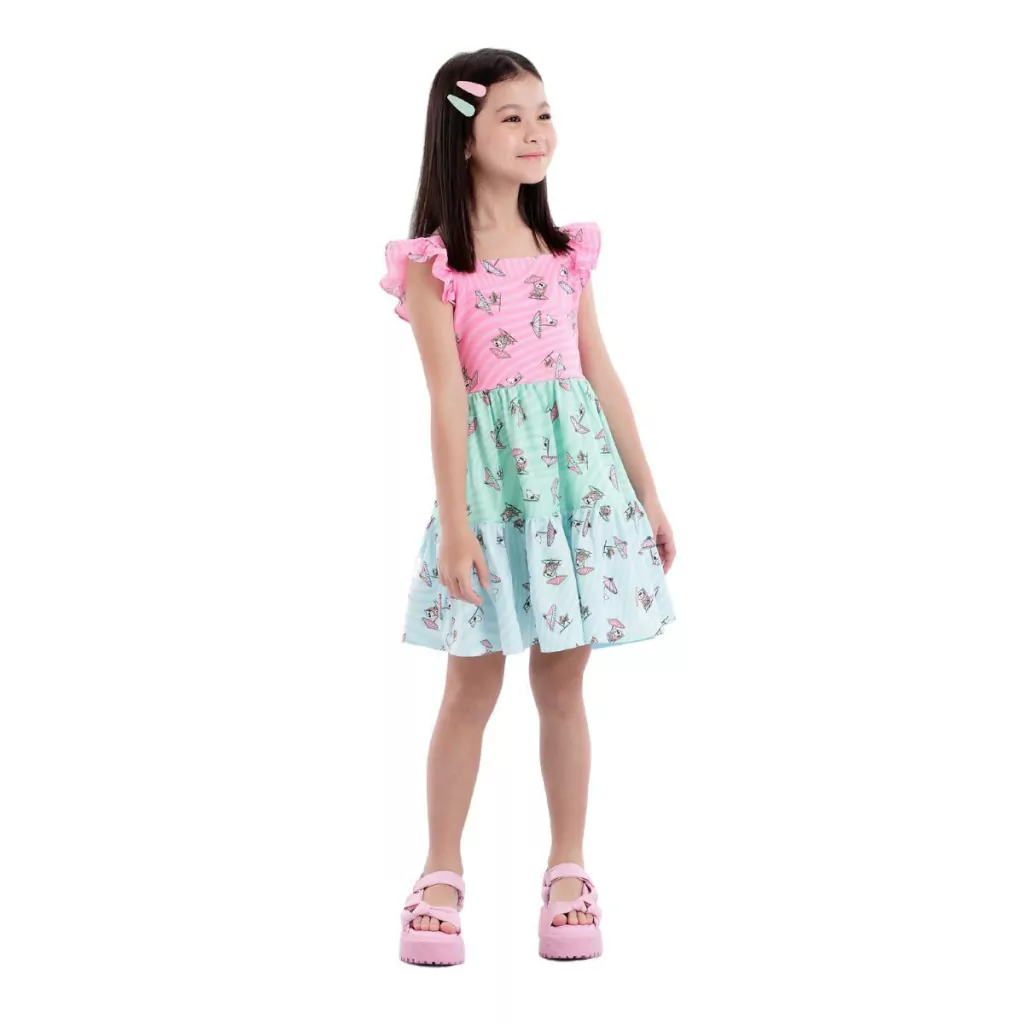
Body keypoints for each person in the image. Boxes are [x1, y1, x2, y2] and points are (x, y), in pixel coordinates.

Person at [379, 48, 678, 965]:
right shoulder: (437, 264)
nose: (536, 131)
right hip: (494, 498)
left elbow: (601, 375)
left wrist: (647, 493)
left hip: (580, 495)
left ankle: (568, 869)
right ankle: (439, 870)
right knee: (470, 688)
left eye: (544, 113)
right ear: (464, 137)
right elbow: (446, 398)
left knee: (562, 685)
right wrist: (456, 525)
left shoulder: (564, 253)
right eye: (511, 116)